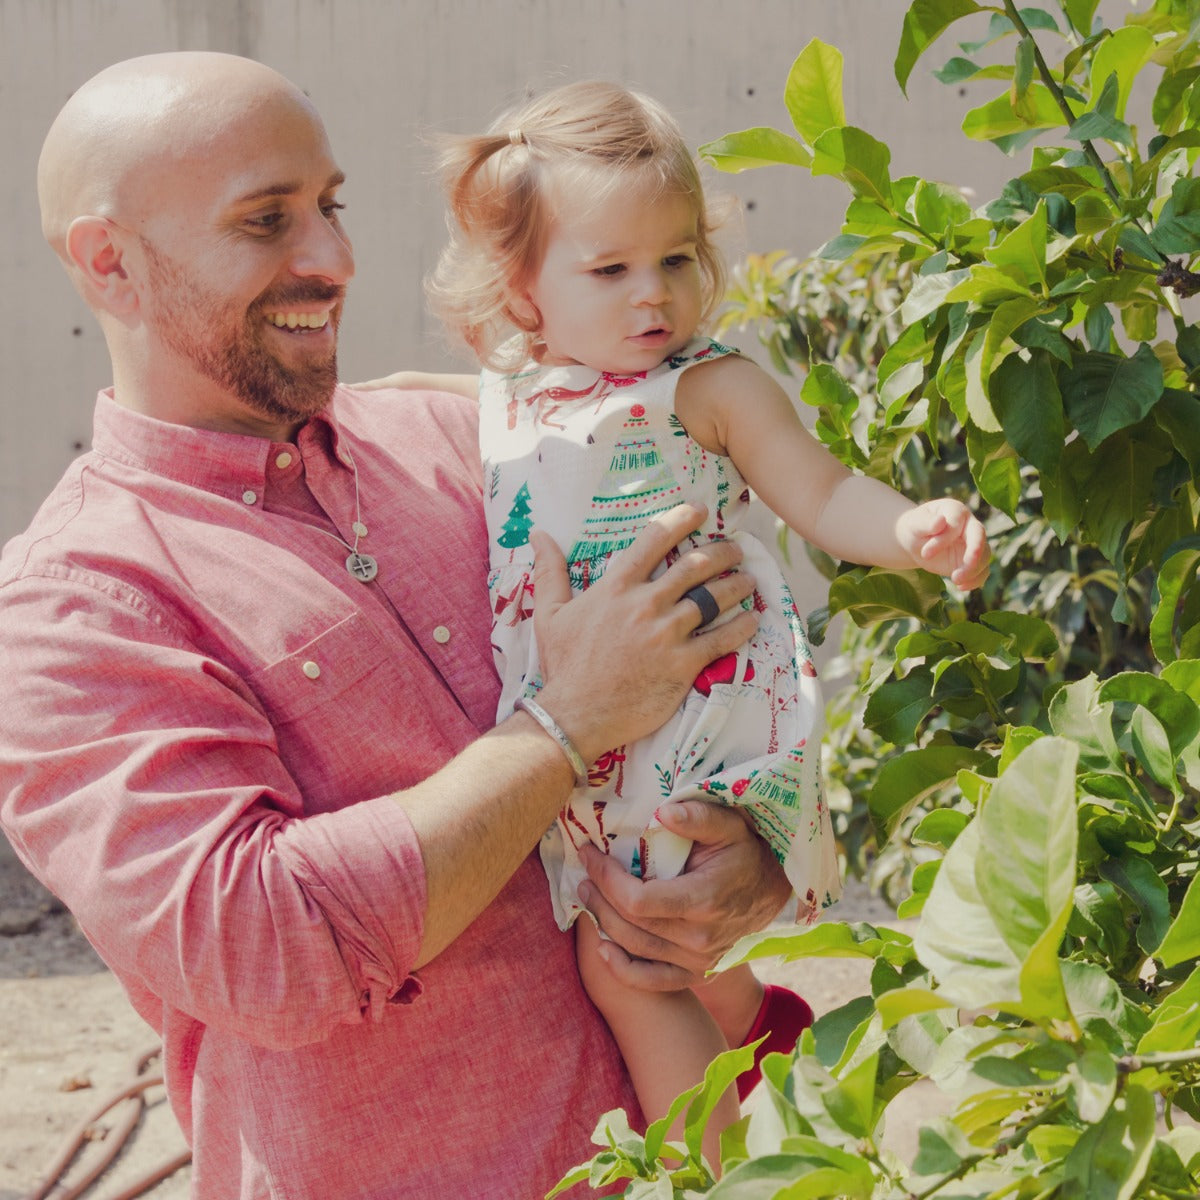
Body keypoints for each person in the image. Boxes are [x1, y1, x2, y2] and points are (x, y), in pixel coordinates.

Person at [0, 53, 797, 1199]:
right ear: (108, 261)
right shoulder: (76, 604)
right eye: (266, 221)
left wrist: (749, 864)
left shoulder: (469, 438)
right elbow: (260, 948)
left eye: (327, 205)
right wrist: (567, 724)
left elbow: (721, 695)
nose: (331, 258)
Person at [417, 79, 992, 1155]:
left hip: (690, 722)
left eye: (677, 258)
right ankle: (757, 1031)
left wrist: (913, 526)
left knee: (623, 961)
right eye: (612, 268)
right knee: (659, 941)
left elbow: (818, 492)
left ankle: (711, 1172)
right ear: (522, 286)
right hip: (585, 729)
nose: (656, 296)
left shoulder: (708, 387)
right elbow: (403, 398)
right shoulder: (511, 398)